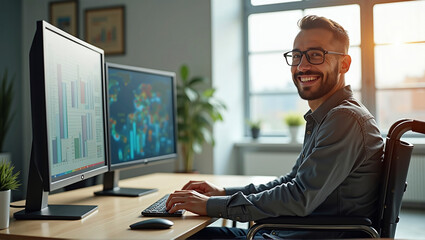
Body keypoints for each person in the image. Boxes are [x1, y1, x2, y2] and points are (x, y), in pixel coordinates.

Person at [166, 15, 384, 239]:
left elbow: (298, 197)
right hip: (296, 232)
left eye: (316, 55)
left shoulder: (344, 118)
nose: (302, 66)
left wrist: (212, 205)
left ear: (344, 64)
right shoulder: (328, 117)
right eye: (297, 56)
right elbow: (292, 182)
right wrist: (222, 193)